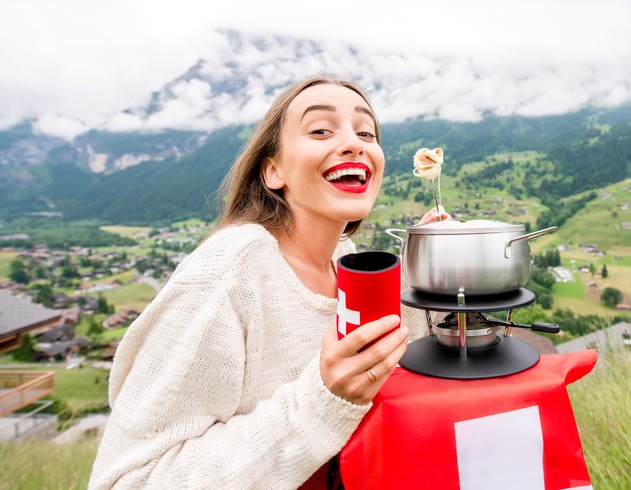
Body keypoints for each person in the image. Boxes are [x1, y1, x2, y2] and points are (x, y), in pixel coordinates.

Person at [89, 75, 450, 489]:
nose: (355, 143)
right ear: (273, 170)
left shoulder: (344, 260)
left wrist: (429, 271)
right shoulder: (228, 274)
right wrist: (324, 402)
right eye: (320, 130)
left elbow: (385, 361)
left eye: (366, 131)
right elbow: (128, 481)